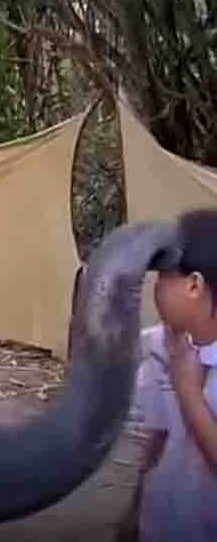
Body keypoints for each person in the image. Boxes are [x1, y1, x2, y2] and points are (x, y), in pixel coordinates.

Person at [128, 208, 217, 542]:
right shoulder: (160, 345)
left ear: (194, 285)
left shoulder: (182, 367)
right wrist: (132, 514)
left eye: (163, 278)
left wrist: (188, 392)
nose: (155, 290)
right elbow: (158, 442)